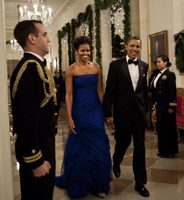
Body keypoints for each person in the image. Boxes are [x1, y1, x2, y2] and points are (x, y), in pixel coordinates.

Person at [55, 36, 112, 198]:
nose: (85, 53)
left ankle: (99, 184)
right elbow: (69, 95)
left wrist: (106, 112)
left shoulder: (96, 67)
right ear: (76, 52)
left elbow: (100, 91)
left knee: (99, 147)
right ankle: (80, 183)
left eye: (88, 50)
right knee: (80, 149)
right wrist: (70, 117)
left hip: (95, 111)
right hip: (79, 112)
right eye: (82, 50)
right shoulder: (71, 70)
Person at [10, 20, 57, 200]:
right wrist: (35, 160)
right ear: (32, 38)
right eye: (44, 34)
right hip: (37, 152)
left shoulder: (36, 66)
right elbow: (25, 120)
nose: (48, 39)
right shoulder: (30, 70)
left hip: (44, 145)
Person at [103, 36, 150, 197]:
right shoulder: (115, 65)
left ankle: (140, 182)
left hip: (139, 114)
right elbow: (109, 90)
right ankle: (116, 162)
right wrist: (108, 113)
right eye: (132, 46)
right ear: (126, 47)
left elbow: (143, 92)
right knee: (123, 143)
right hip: (122, 113)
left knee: (140, 147)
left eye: (138, 46)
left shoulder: (144, 66)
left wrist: (147, 112)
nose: (135, 49)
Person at [151, 55, 179, 158]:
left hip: (167, 107)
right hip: (160, 106)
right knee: (161, 129)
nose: (157, 64)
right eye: (157, 62)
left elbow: (172, 92)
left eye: (159, 62)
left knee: (169, 129)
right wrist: (154, 105)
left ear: (165, 63)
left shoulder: (170, 74)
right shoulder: (157, 74)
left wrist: (172, 106)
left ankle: (171, 151)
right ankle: (163, 150)